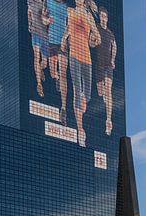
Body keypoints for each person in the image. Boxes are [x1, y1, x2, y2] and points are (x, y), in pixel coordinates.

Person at [61, 0, 99, 147]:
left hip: (86, 58)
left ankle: (84, 97)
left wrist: (93, 40)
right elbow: (68, 28)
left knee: (87, 95)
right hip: (73, 56)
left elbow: (97, 37)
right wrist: (63, 39)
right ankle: (80, 130)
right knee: (77, 89)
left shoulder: (89, 16)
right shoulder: (70, 11)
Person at [44, 0, 69, 124]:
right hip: (51, 43)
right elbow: (43, 18)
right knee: (53, 72)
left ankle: (63, 109)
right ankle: (56, 77)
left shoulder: (66, 7)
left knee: (63, 73)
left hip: (62, 45)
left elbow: (69, 24)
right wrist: (46, 20)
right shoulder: (48, 2)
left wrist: (65, 38)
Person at [94, 6, 116, 135]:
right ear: (100, 17)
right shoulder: (96, 28)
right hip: (99, 65)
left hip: (108, 65)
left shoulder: (110, 33)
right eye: (101, 16)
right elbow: (91, 42)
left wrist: (113, 60)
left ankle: (108, 120)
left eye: (105, 16)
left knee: (108, 91)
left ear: (107, 18)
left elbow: (115, 46)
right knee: (100, 92)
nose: (103, 18)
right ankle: (103, 95)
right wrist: (94, 41)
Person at [28, 0, 49, 97]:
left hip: (45, 35)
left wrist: (46, 16)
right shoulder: (30, 2)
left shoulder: (45, 3)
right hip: (35, 33)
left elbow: (47, 18)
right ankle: (39, 84)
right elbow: (29, 12)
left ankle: (39, 69)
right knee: (36, 57)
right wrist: (29, 23)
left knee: (45, 63)